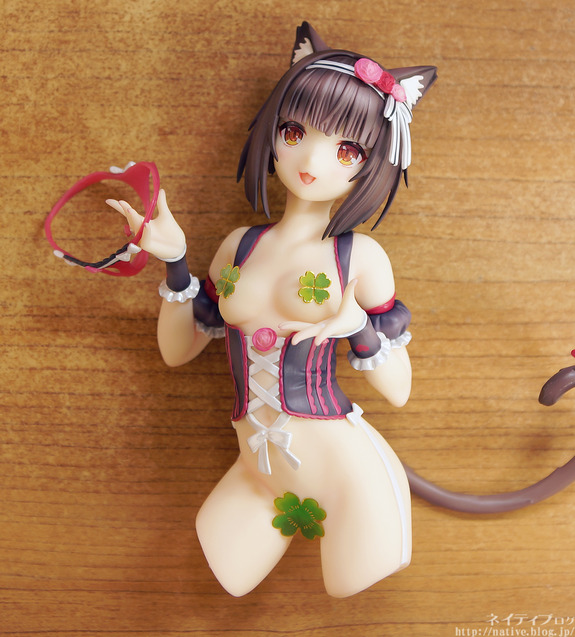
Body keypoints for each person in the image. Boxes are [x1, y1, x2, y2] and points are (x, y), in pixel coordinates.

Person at [107, 22, 437, 597]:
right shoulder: (240, 245)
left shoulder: (359, 257)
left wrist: (358, 327)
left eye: (346, 149)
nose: (310, 159)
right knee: (201, 585)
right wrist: (176, 262)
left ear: (371, 162)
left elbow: (400, 390)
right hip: (256, 471)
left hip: (346, 474)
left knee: (351, 587)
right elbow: (178, 351)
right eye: (294, 131)